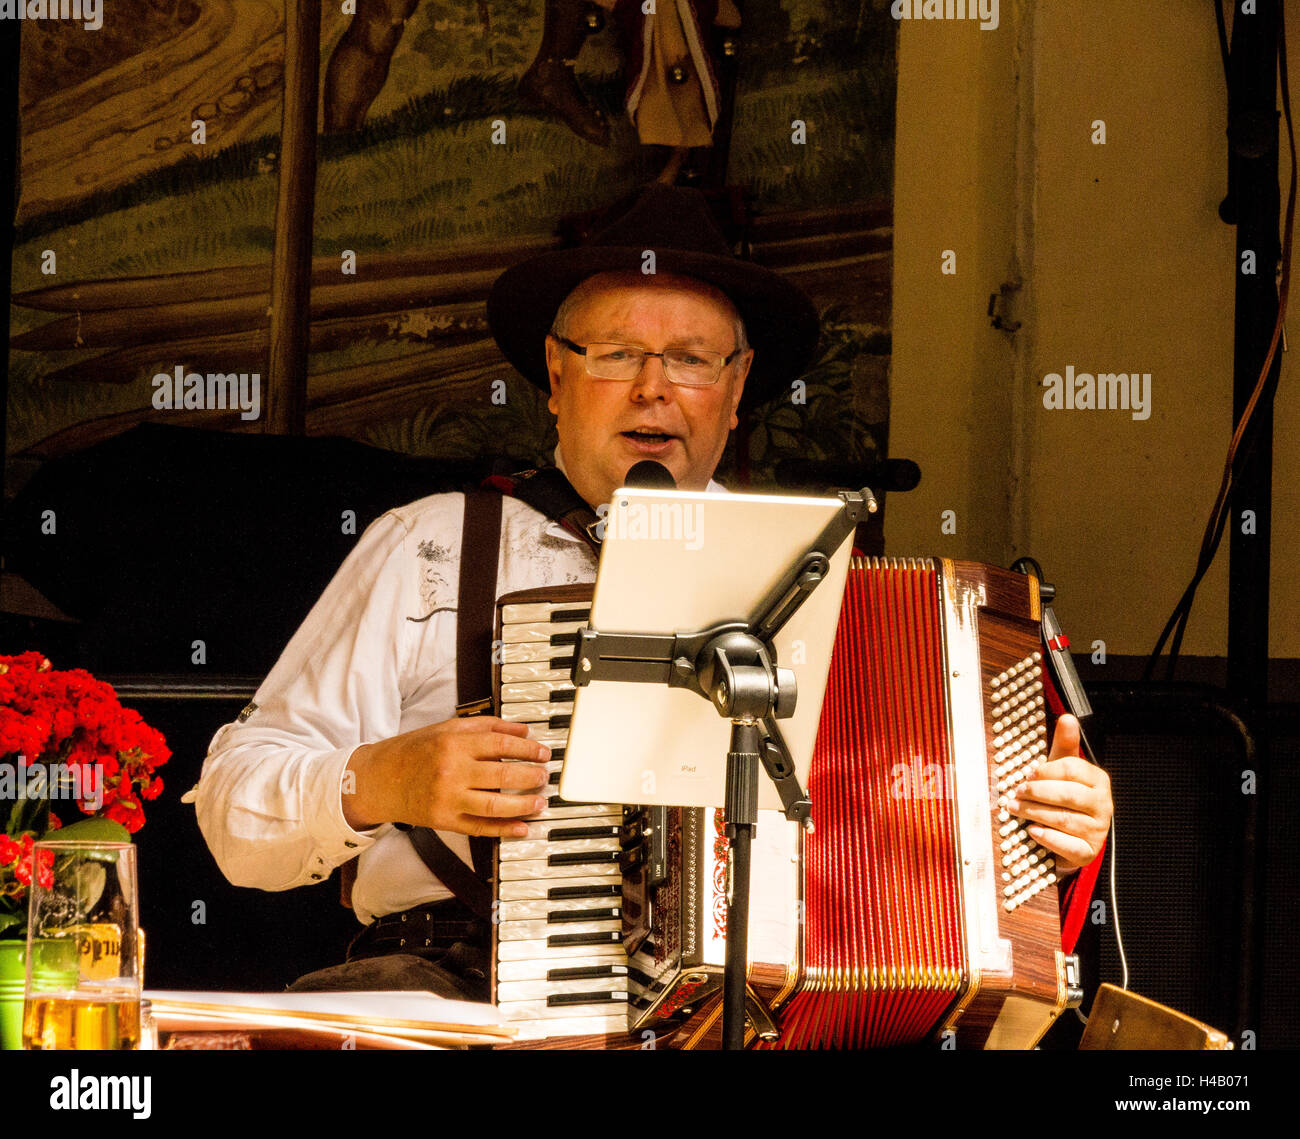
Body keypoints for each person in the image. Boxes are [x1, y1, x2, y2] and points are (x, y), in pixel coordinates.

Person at [189, 185, 1113, 1002]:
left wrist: (1038, 831)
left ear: (737, 385)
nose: (653, 389)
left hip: (753, 1010)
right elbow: (232, 811)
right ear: (555, 376)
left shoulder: (823, 582)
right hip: (457, 993)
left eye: (691, 360)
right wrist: (380, 779)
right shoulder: (428, 543)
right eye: (616, 353)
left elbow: (909, 843)